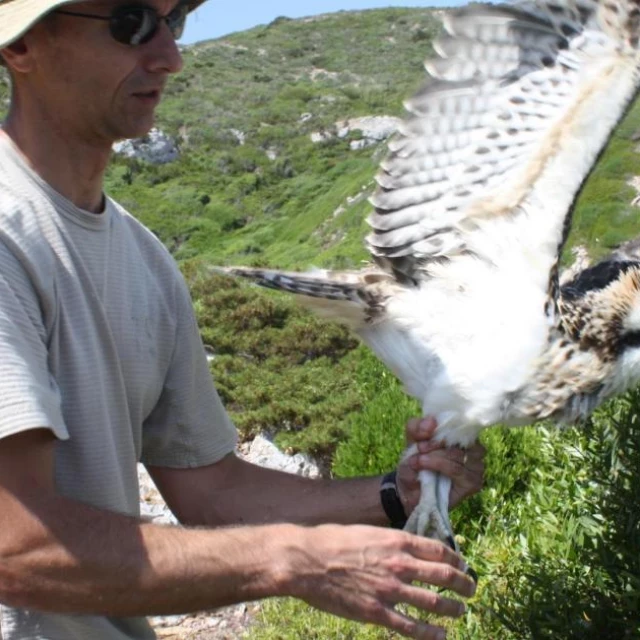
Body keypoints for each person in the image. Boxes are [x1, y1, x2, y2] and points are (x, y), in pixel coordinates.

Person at [0, 0, 485, 639]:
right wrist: (290, 560)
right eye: (130, 24)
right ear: (21, 47)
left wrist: (398, 495)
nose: (169, 56)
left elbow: (210, 491)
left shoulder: (143, 257)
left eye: (172, 22)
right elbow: (17, 547)